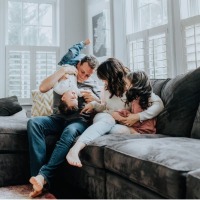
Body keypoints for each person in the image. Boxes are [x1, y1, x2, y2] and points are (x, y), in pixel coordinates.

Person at [27, 40, 100, 198]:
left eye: (88, 75)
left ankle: (43, 177)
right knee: (33, 123)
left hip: (77, 122)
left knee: (69, 131)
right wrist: (62, 71)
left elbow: (103, 106)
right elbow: (43, 88)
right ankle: (38, 179)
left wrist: (95, 99)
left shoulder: (92, 85)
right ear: (78, 65)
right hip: (57, 118)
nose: (84, 77)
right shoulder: (65, 77)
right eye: (82, 72)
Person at [66, 58, 164, 168]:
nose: (104, 82)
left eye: (104, 79)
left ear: (112, 76)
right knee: (108, 120)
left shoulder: (132, 85)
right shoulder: (107, 88)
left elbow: (158, 105)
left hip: (119, 124)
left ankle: (87, 139)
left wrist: (137, 116)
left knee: (116, 129)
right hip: (106, 117)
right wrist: (94, 104)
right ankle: (76, 148)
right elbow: (105, 107)